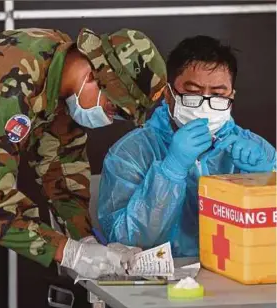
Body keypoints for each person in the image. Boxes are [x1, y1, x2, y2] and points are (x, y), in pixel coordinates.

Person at [0, 27, 167, 278]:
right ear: (93, 75)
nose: (107, 118)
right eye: (111, 107)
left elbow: (61, 170)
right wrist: (69, 252)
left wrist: (87, 241)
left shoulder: (61, 72)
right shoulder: (8, 88)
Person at [97, 35, 276, 257]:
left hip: (237, 278)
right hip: (160, 285)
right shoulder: (130, 153)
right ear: (169, 95)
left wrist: (266, 180)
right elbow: (126, 241)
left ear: (231, 96)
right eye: (192, 93)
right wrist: (171, 170)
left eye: (218, 95)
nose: (204, 104)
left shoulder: (256, 150)